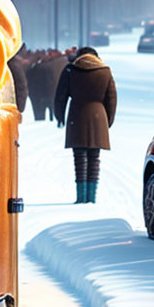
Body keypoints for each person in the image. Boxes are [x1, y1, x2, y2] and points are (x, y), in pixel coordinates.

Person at [53, 46, 117, 204]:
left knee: (79, 157)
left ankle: (81, 197)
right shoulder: (105, 71)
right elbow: (112, 99)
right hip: (98, 116)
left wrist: (59, 116)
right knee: (94, 157)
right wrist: (108, 120)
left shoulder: (71, 70)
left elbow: (60, 96)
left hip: (77, 115)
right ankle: (91, 197)